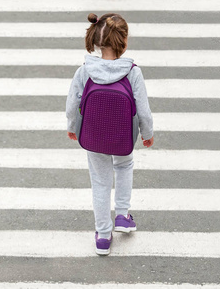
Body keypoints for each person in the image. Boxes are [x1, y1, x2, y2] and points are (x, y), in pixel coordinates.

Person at [65, 13, 154, 256]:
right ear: (124, 43)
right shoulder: (133, 72)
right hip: (122, 136)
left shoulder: (85, 71)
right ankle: (123, 215)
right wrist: (147, 133)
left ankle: (103, 236)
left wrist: (72, 127)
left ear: (94, 40)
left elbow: (72, 104)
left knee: (100, 182)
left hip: (93, 136)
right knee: (124, 166)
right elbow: (143, 110)